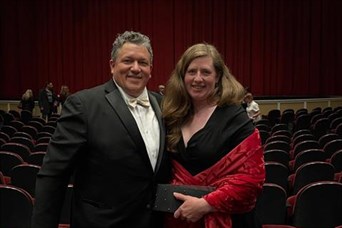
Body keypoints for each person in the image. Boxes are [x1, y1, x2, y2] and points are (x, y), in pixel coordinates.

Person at [32, 31, 171, 228]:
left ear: (151, 69)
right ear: (112, 66)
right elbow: (54, 175)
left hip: (153, 222)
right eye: (128, 61)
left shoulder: (164, 105)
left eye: (143, 62)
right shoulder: (83, 105)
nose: (136, 68)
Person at [161, 43, 265, 228]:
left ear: (217, 77)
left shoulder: (235, 117)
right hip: (180, 218)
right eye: (191, 71)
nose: (198, 79)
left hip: (230, 221)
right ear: (182, 77)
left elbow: (252, 181)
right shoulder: (174, 115)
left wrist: (205, 204)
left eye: (206, 72)